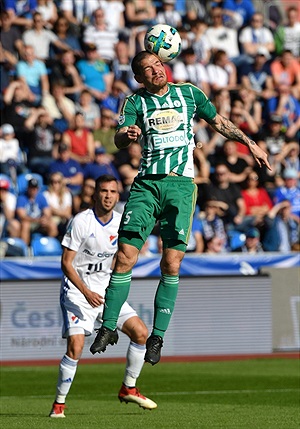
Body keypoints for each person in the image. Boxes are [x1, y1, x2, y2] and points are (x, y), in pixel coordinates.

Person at [89, 50, 271, 365]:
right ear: (139, 78)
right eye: (148, 69)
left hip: (182, 186)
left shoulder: (188, 93)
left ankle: (157, 337)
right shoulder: (135, 103)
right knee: (124, 257)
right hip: (146, 184)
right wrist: (126, 135)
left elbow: (219, 122)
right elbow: (118, 137)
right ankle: (107, 326)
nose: (156, 71)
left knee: (171, 264)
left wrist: (249, 142)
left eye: (158, 64)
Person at [49, 174, 157, 418]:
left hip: (107, 293)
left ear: (118, 196)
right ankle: (59, 404)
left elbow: (125, 258)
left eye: (113, 192)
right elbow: (66, 264)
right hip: (78, 293)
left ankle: (128, 387)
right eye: (104, 191)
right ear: (95, 194)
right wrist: (86, 292)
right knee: (76, 347)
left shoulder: (121, 223)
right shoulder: (81, 222)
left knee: (141, 333)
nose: (108, 196)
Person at [15, 177, 57, 245]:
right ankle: (25, 248)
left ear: (38, 188)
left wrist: (44, 218)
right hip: (29, 221)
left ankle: (51, 245)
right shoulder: (21, 198)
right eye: (31, 188)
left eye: (35, 188)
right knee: (25, 225)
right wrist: (37, 220)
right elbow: (22, 216)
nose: (33, 190)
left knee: (51, 224)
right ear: (28, 188)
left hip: (39, 221)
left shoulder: (41, 197)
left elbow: (47, 212)